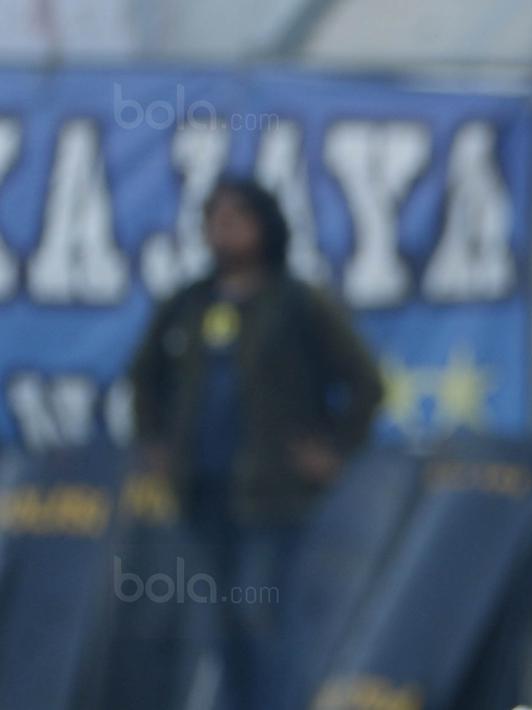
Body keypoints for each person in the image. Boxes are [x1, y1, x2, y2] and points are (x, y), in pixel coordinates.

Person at [129, 177, 384, 710]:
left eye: (235, 218)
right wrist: (154, 443)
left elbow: (365, 382)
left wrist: (332, 450)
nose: (221, 230)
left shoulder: (295, 302)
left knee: (263, 618)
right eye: (212, 220)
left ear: (264, 226)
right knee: (218, 624)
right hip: (202, 491)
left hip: (272, 496)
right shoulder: (190, 303)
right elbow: (143, 376)